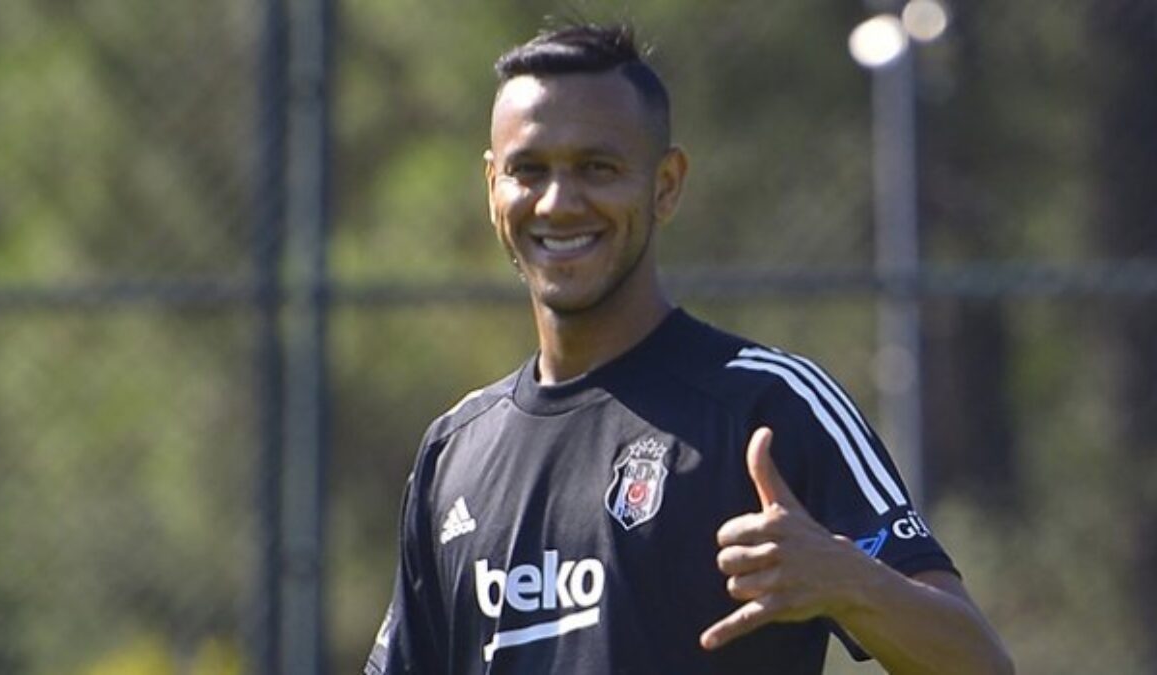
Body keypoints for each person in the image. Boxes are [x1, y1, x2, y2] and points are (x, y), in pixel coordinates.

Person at [365, 22, 1013, 675]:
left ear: (666, 184)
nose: (558, 203)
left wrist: (850, 581)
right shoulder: (455, 451)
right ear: (492, 187)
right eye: (528, 170)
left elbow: (980, 664)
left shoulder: (770, 405)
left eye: (598, 168)